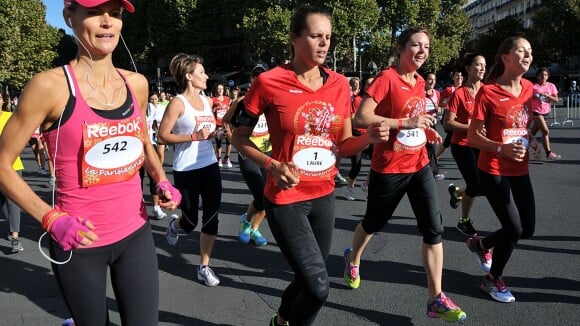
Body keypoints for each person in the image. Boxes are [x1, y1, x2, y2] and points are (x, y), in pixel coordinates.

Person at [0, 1, 182, 325]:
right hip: (79, 242)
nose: (107, 22)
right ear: (70, 17)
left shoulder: (136, 84)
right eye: (96, 12)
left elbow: (141, 139)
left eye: (115, 13)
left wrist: (160, 178)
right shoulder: (49, 86)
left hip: (135, 232)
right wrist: (50, 218)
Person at [231, 6, 388, 325]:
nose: (323, 43)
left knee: (308, 279)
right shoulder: (268, 82)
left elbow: (344, 144)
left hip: (324, 196)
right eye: (315, 36)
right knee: (318, 288)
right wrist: (272, 164)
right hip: (285, 199)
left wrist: (368, 136)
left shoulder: (341, 85)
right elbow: (238, 137)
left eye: (328, 37)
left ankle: (280, 320)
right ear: (294, 39)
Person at [343, 26, 467, 322]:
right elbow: (361, 117)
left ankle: (435, 298)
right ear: (400, 48)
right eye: (416, 45)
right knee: (373, 222)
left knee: (433, 229)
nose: (422, 51)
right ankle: (353, 257)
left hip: (419, 163)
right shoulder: (387, 78)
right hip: (389, 167)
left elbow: (416, 119)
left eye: (426, 46)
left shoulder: (421, 81)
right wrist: (405, 122)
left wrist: (426, 131)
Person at [467, 36, 540, 303]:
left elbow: (521, 124)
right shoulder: (488, 92)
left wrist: (530, 141)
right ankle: (492, 279)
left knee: (527, 228)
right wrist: (501, 148)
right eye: (521, 50)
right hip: (493, 168)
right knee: (513, 228)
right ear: (506, 57)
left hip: (520, 168)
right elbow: (473, 138)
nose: (528, 55)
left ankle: (481, 244)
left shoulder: (530, 89)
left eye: (530, 51)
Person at [158, 53, 223, 287]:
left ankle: (204, 266)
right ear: (189, 76)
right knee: (190, 221)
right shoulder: (177, 103)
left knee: (212, 218)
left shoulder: (206, 101)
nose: (206, 76)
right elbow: (162, 136)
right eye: (202, 73)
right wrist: (193, 136)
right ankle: (175, 226)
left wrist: (216, 134)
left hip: (209, 165)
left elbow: (209, 130)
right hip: (186, 169)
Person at [222, 64, 270, 246]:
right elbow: (226, 120)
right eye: (255, 75)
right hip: (248, 153)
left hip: (268, 152)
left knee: (270, 196)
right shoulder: (243, 101)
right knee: (262, 195)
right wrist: (232, 137)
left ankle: (254, 228)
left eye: (262, 75)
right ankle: (246, 221)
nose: (258, 79)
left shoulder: (272, 100)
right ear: (251, 80)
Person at [444, 53, 487, 238]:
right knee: (475, 183)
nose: (483, 68)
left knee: (487, 186)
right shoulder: (459, 94)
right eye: (478, 65)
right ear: (468, 69)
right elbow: (447, 123)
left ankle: (457, 193)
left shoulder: (488, 91)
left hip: (483, 144)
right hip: (462, 144)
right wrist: (471, 127)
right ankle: (464, 221)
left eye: (485, 65)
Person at [0, 91, 24, 253]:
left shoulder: (10, 117)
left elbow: (20, 137)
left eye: (0, 97)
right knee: (3, 206)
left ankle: (15, 237)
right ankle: (10, 223)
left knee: (13, 201)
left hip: (12, 165)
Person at [345, 76, 375, 200]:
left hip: (371, 135)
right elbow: (353, 117)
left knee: (376, 164)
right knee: (356, 165)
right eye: (368, 84)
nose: (370, 86)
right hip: (358, 135)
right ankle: (350, 188)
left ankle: (366, 184)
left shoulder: (376, 100)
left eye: (372, 84)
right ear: (364, 86)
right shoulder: (358, 100)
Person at [143, 92, 167, 219]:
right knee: (138, 178)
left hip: (149, 144)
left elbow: (154, 123)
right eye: (151, 99)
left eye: (155, 99)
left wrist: (157, 131)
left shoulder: (151, 108)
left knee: (154, 176)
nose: (153, 101)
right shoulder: (130, 107)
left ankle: (156, 208)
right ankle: (139, 205)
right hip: (135, 146)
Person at [529, 67, 561, 161]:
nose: (543, 76)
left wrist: (547, 96)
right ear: (537, 76)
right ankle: (549, 153)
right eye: (541, 75)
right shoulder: (533, 86)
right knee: (545, 131)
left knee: (533, 132)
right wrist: (534, 96)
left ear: (548, 76)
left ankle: (522, 147)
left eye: (545, 75)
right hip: (536, 111)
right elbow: (527, 97)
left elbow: (556, 100)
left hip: (545, 112)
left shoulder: (551, 86)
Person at [435, 69, 463, 160]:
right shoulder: (449, 89)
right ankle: (436, 156)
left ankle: (437, 156)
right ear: (453, 77)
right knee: (450, 137)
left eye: (461, 76)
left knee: (451, 138)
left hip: (462, 118)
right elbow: (438, 102)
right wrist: (447, 104)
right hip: (450, 118)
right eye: (457, 76)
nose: (459, 78)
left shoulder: (466, 89)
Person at [424, 72, 445, 181]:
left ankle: (432, 172)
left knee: (431, 148)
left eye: (434, 80)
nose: (432, 82)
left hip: (432, 123)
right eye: (429, 79)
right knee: (427, 148)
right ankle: (432, 172)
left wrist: (438, 109)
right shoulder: (419, 93)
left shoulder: (436, 93)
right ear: (425, 80)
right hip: (421, 123)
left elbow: (439, 107)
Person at [212, 83, 233, 168]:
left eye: (221, 88)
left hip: (227, 124)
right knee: (219, 142)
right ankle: (219, 158)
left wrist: (228, 108)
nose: (220, 90)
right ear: (216, 90)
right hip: (218, 124)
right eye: (218, 88)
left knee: (229, 141)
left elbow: (231, 110)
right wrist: (216, 108)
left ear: (224, 90)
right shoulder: (213, 99)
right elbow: (211, 111)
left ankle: (227, 157)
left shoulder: (228, 99)